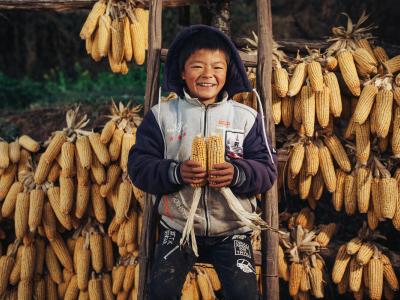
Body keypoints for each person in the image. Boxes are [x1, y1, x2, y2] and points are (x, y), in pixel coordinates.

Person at [128, 24, 277, 300]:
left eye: (217, 67)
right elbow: (139, 167)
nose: (208, 74)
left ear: (229, 71)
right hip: (179, 226)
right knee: (160, 291)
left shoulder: (245, 118)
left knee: (244, 294)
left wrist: (237, 174)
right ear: (182, 73)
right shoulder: (162, 116)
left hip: (231, 229)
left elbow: (266, 170)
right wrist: (175, 172)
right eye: (197, 66)